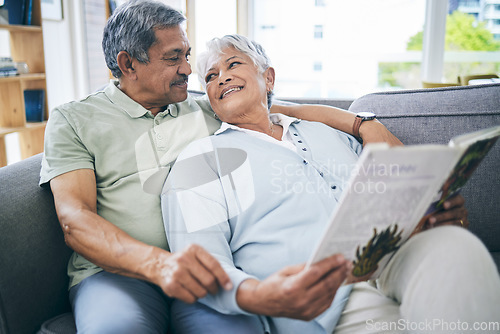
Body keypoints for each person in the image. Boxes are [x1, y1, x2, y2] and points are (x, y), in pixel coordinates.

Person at [40, 1, 403, 333]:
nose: (188, 70)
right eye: (172, 59)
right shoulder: (74, 120)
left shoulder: (205, 107)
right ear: (128, 64)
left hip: (209, 269)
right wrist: (162, 266)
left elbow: (281, 109)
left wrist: (363, 124)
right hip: (118, 274)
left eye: (187, 55)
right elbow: (76, 220)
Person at [161, 34, 500, 334]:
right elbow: (200, 262)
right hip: (327, 298)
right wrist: (259, 295)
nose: (222, 78)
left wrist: (429, 211)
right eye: (210, 76)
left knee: (456, 245)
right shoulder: (200, 160)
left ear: (268, 76)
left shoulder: (326, 132)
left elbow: (390, 184)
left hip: (393, 256)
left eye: (233, 64)